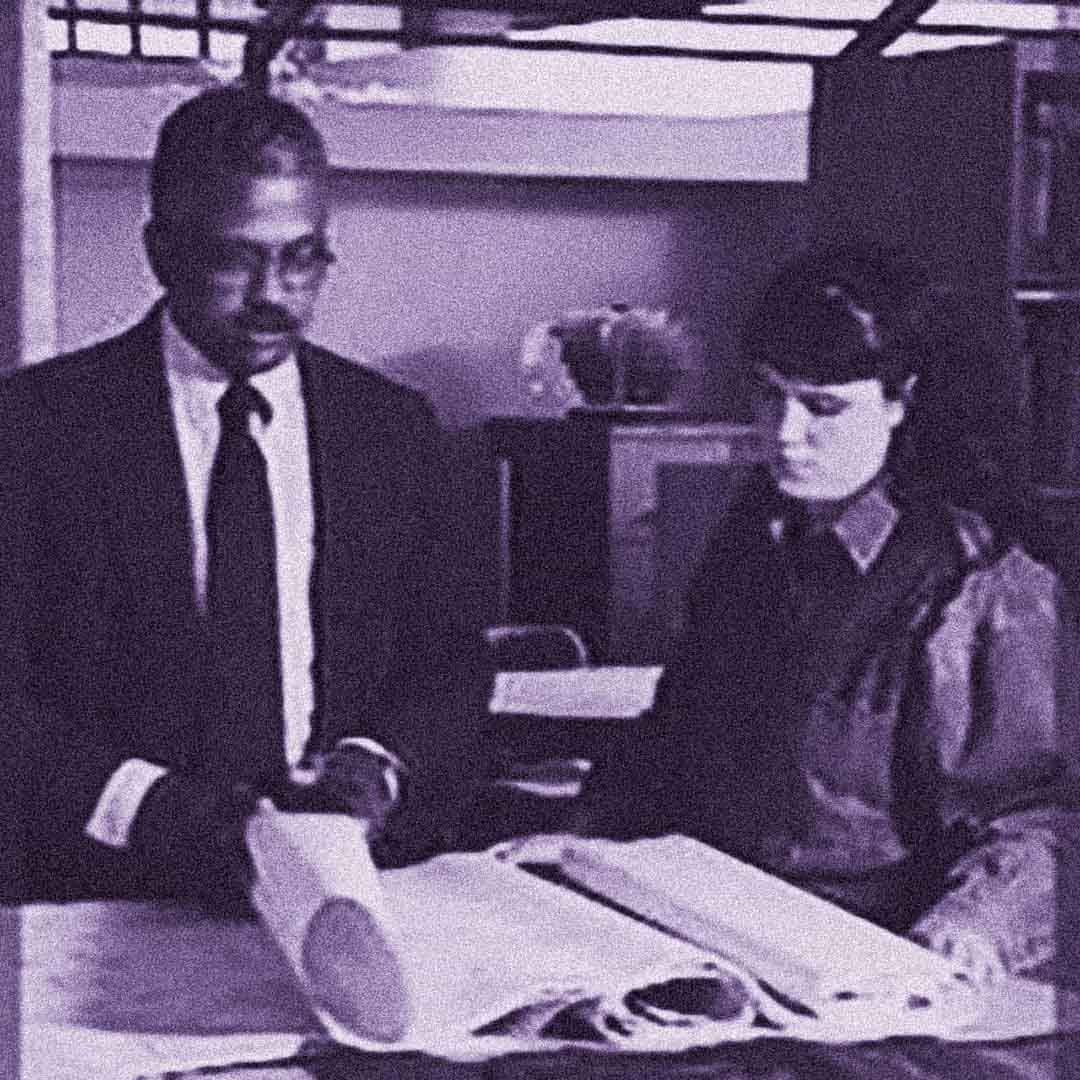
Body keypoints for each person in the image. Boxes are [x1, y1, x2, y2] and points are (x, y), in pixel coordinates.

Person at [0, 87, 483, 909]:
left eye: (303, 259)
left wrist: (376, 763)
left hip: (345, 886)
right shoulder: (34, 430)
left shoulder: (392, 430)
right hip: (101, 891)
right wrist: (150, 807)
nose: (273, 294)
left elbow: (448, 661)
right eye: (236, 259)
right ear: (162, 253)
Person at [589, 244, 1080, 984]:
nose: (785, 434)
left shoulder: (980, 585)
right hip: (711, 920)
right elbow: (676, 739)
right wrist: (584, 841)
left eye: (824, 407)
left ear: (900, 401)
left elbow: (1043, 812)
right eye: (769, 395)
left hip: (870, 952)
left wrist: (975, 924)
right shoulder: (753, 537)